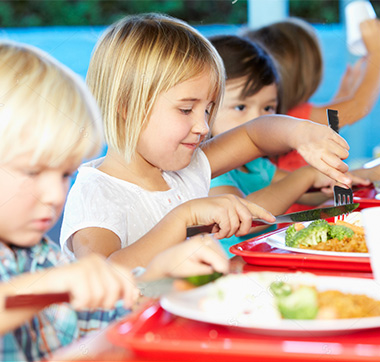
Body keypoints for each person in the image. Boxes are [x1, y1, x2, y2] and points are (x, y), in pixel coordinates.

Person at [60, 13, 351, 269]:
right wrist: (183, 217)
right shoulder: (96, 192)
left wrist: (301, 133)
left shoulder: (185, 170)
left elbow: (255, 135)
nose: (203, 126)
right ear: (125, 106)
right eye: (186, 109)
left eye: (209, 109)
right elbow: (103, 276)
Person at [0, 41, 228, 361]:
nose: (55, 196)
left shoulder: (39, 256)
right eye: (33, 171)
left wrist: (157, 281)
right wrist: (45, 289)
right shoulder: (42, 275)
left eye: (64, 174)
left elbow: (95, 327)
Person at [207, 35, 380, 253]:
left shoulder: (255, 165)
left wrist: (367, 175)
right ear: (206, 107)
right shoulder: (209, 171)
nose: (258, 119)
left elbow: (306, 192)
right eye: (241, 107)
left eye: (268, 108)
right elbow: (246, 220)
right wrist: (306, 175)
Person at [244, 17, 380, 171]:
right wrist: (377, 54)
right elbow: (359, 107)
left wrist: (344, 94)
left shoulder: (281, 116)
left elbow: (329, 123)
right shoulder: (294, 117)